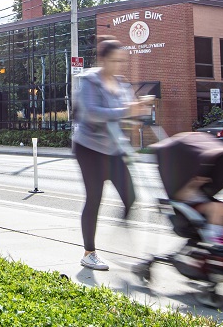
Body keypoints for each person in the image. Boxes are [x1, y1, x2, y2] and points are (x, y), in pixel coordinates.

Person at [72, 36, 153, 271]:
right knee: (94, 199)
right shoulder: (89, 80)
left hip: (114, 149)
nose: (119, 65)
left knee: (131, 197)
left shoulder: (121, 84)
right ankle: (89, 252)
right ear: (103, 60)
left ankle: (120, 238)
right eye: (115, 61)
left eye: (122, 61)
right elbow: (92, 113)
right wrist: (127, 109)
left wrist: (140, 109)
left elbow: (127, 114)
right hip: (89, 148)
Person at [175, 175, 223, 244]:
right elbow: (179, 197)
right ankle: (215, 236)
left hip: (206, 204)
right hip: (192, 208)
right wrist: (195, 182)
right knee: (216, 207)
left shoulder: (201, 189)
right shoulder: (184, 187)